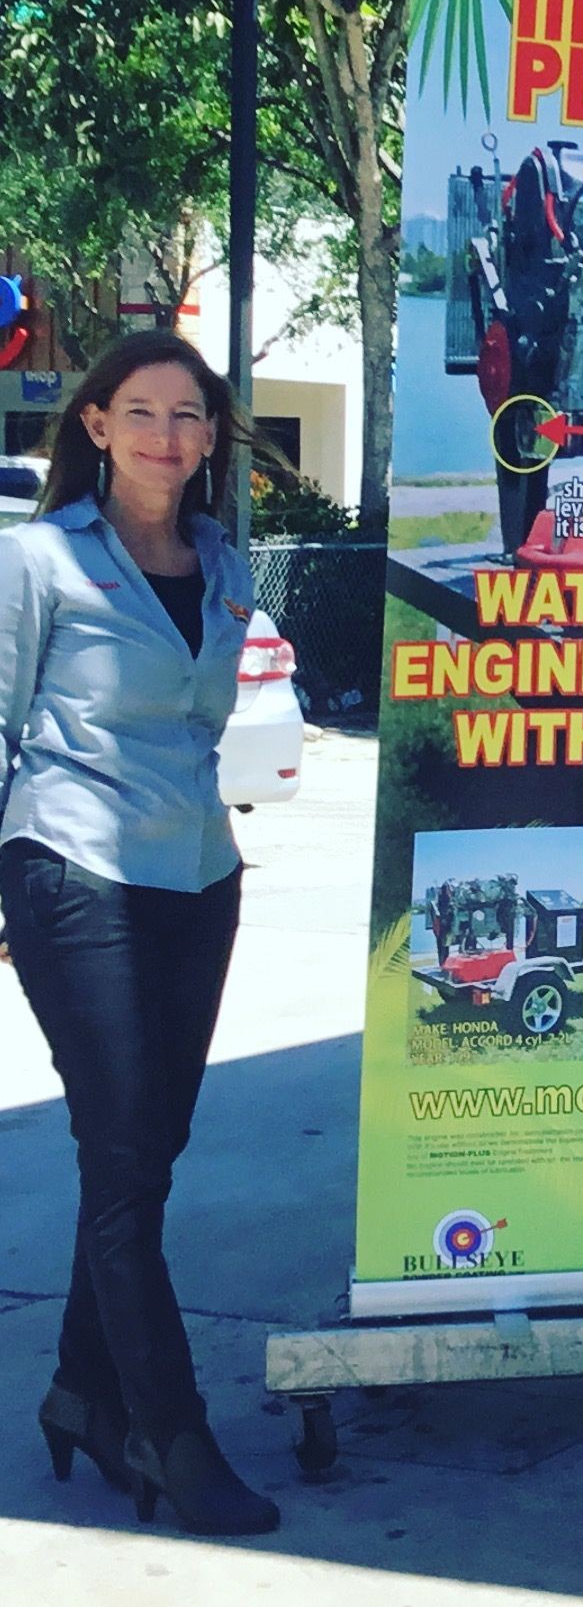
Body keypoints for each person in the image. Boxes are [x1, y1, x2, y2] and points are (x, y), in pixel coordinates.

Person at [0, 334, 280, 1536]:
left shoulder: (226, 563)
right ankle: (172, 1433)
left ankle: (82, 1396)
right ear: (99, 426)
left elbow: (223, 722)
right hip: (72, 871)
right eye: (143, 411)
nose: (169, 433)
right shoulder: (40, 560)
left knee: (142, 1157)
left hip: (199, 877)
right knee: (120, 1156)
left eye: (191, 415)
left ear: (212, 437)